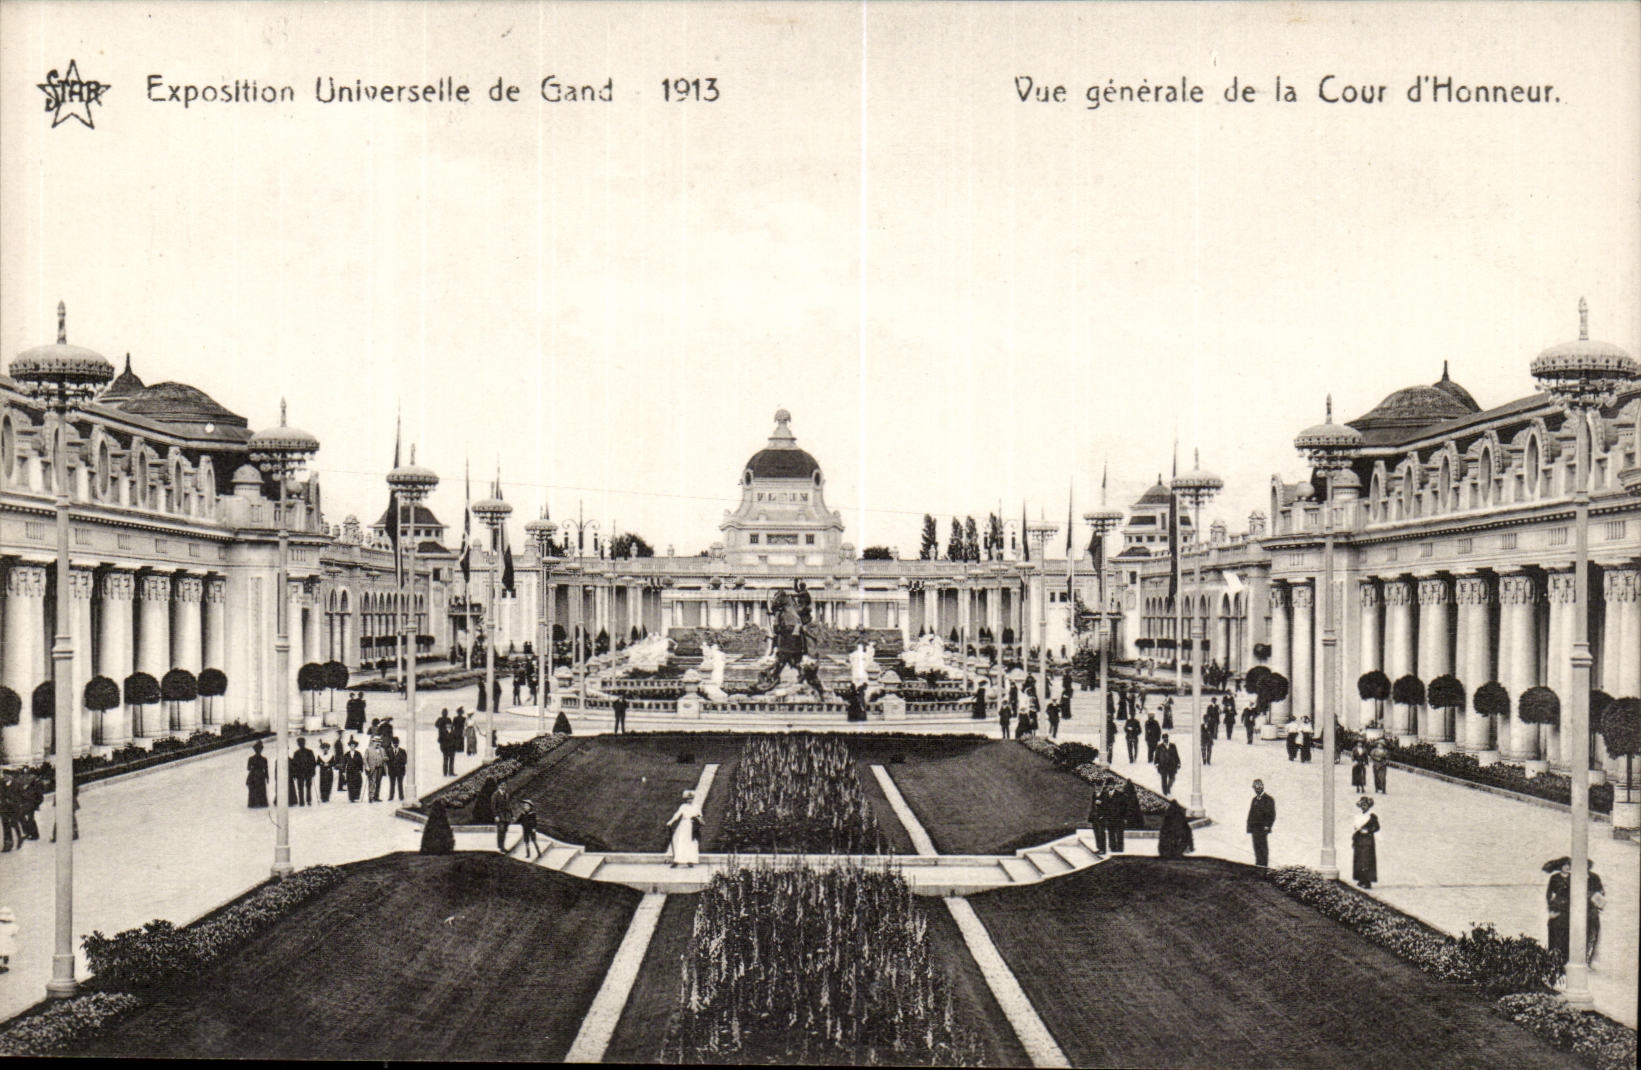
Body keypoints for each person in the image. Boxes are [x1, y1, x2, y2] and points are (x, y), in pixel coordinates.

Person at [1544, 858, 1572, 967]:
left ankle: (1564, 961)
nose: (1567, 867)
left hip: (1568, 909)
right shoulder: (1554, 878)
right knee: (1554, 932)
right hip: (1557, 908)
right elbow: (1549, 894)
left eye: (1569, 865)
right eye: (1565, 865)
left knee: (1566, 935)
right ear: (1561, 866)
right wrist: (1551, 908)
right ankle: (1553, 960)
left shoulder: (1572, 878)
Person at [666, 789, 701, 866]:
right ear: (686, 800)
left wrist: (698, 821)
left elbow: (699, 816)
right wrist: (671, 822)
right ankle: (677, 860)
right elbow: (677, 815)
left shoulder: (696, 806)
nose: (690, 800)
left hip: (693, 826)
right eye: (688, 799)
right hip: (685, 826)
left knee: (692, 843)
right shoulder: (683, 806)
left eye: (691, 798)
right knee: (682, 842)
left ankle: (690, 860)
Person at [1246, 779, 1276, 867]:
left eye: (1258, 788)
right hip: (1255, 828)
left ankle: (1264, 864)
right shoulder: (1254, 799)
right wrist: (1249, 826)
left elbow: (1271, 814)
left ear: (1262, 787)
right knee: (1256, 847)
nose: (1257, 790)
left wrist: (1268, 826)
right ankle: (1258, 863)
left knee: (1263, 846)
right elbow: (1251, 814)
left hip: (1262, 828)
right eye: (1255, 788)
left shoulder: (1268, 799)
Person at [1352, 796, 1380, 889]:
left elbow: (1377, 827)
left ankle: (1367, 881)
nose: (1364, 807)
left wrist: (1368, 831)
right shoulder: (1359, 816)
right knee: (1359, 860)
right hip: (1359, 839)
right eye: (1362, 805)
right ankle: (1361, 879)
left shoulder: (1371, 816)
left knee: (1366, 860)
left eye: (1365, 805)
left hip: (1367, 840)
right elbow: (1356, 828)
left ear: (1369, 806)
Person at [1586, 861, 1605, 968]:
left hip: (1592, 910)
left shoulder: (1594, 877)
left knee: (1593, 933)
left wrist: (1597, 897)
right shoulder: (1573, 877)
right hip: (1578, 911)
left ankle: (1588, 959)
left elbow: (1601, 891)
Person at [289, 737, 316, 806]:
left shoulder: (310, 752)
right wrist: (294, 773)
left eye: (302, 743)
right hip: (300, 773)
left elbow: (313, 762)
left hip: (308, 772)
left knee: (308, 787)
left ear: (304, 743)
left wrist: (313, 771)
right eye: (300, 743)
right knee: (300, 787)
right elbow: (294, 764)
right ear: (298, 744)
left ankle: (308, 800)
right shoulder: (296, 753)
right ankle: (301, 801)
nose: (301, 744)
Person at [1102, 786, 1127, 854]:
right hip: (1110, 817)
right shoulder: (1105, 794)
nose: (1110, 786)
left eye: (1111, 784)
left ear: (1113, 785)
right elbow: (1104, 806)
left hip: (1119, 817)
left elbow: (1124, 806)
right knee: (1111, 833)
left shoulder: (1120, 794)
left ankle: (1120, 848)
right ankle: (1113, 847)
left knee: (1119, 833)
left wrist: (1124, 817)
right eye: (1108, 785)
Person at [246, 741, 270, 808]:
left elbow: (248, 768)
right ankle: (261, 803)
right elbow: (266, 769)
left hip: (254, 775)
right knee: (260, 789)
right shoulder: (264, 759)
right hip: (260, 776)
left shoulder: (251, 759)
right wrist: (267, 777)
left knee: (255, 789)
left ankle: (253, 803)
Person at [1088, 784, 1108, 857]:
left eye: (1099, 787)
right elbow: (1092, 806)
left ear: (1101, 787)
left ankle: (1103, 849)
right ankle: (1099, 848)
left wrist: (1102, 815)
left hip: (1101, 817)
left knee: (1101, 833)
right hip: (1094, 817)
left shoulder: (1104, 795)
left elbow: (1107, 806)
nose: (1097, 788)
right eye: (1096, 787)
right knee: (1096, 832)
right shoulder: (1094, 794)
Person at [364, 736, 387, 802]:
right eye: (376, 742)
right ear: (373, 742)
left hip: (380, 769)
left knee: (378, 783)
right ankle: (371, 797)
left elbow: (384, 757)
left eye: (379, 742)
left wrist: (385, 758)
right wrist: (367, 766)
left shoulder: (382, 750)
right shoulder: (368, 749)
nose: (378, 743)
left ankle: (376, 797)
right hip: (372, 769)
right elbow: (365, 759)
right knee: (372, 783)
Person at [493, 780, 513, 851]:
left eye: (504, 785)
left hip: (506, 816)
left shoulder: (506, 794)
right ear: (498, 786)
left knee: (504, 830)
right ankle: (501, 847)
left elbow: (509, 806)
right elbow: (493, 806)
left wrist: (512, 815)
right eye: (501, 785)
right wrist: (496, 816)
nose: (503, 787)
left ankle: (502, 845)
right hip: (500, 815)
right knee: (501, 830)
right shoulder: (496, 794)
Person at [343, 738, 365, 802]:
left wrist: (361, 770)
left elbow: (361, 762)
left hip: (356, 771)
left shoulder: (358, 754)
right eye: (351, 746)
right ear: (349, 746)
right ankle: (351, 798)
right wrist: (343, 771)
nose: (352, 747)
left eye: (353, 746)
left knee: (357, 783)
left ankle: (356, 796)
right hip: (349, 771)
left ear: (355, 746)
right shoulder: (346, 754)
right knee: (350, 784)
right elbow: (344, 763)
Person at [387, 736, 408, 801]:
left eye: (397, 743)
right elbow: (387, 761)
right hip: (392, 770)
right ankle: (391, 797)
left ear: (398, 743)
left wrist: (397, 761)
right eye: (394, 743)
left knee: (400, 784)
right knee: (392, 784)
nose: (395, 744)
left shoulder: (402, 751)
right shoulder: (389, 751)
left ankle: (401, 796)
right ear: (392, 743)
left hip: (400, 770)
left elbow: (405, 761)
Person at [436, 709, 456, 776]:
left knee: (446, 758)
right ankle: (449, 772)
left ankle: (446, 772)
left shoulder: (440, 719)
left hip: (444, 742)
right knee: (449, 758)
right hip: (446, 744)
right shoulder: (448, 720)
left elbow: (436, 725)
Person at [0, 908, 15, 974]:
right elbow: (13, 934)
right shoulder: (13, 926)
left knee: (2, 954)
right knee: (6, 955)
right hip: (6, 943)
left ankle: (2, 966)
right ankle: (4, 965)